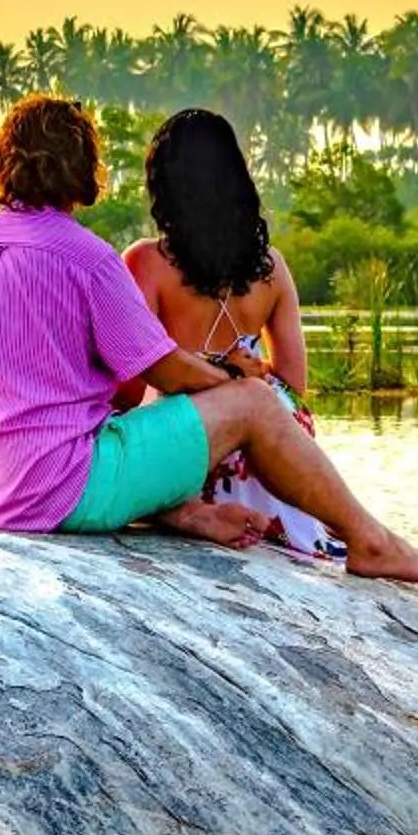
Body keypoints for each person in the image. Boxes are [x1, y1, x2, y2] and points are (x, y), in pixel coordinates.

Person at [0, 94, 418, 584]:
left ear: (4, 164)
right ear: (81, 171)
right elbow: (161, 370)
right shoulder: (86, 257)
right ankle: (369, 540)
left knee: (109, 432)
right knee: (256, 405)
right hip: (55, 492)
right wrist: (232, 377)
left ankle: (187, 512)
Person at [123, 108, 342, 563]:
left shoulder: (146, 262)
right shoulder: (273, 268)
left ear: (165, 185)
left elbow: (131, 377)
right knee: (277, 406)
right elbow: (293, 388)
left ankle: (187, 509)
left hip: (198, 440)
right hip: (271, 444)